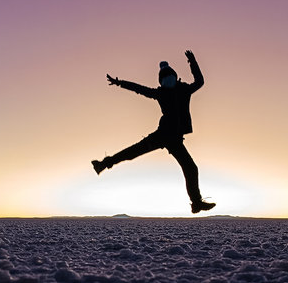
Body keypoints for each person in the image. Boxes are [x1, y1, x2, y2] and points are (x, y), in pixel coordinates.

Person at [92, 50, 215, 214]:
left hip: (175, 139)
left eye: (170, 77)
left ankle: (196, 203)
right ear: (161, 81)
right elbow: (139, 89)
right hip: (162, 135)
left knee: (191, 168)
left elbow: (199, 81)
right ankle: (103, 164)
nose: (168, 80)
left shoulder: (183, 90)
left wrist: (192, 62)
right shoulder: (161, 93)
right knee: (134, 152)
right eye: (164, 79)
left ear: (175, 77)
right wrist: (120, 83)